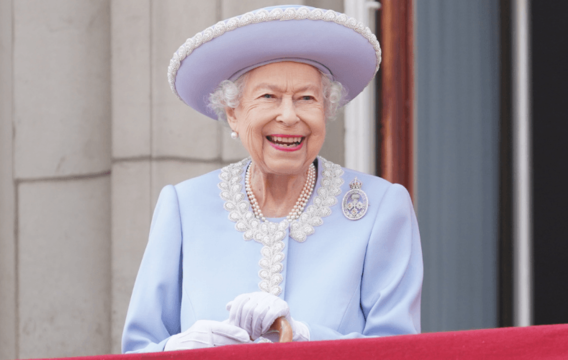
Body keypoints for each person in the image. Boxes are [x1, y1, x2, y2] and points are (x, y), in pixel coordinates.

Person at [122, 5, 423, 353]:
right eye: (269, 97)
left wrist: (307, 336)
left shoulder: (381, 208)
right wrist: (180, 349)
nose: (289, 116)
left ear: (326, 111)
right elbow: (138, 348)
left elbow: (399, 349)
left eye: (306, 99)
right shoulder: (184, 207)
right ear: (233, 114)